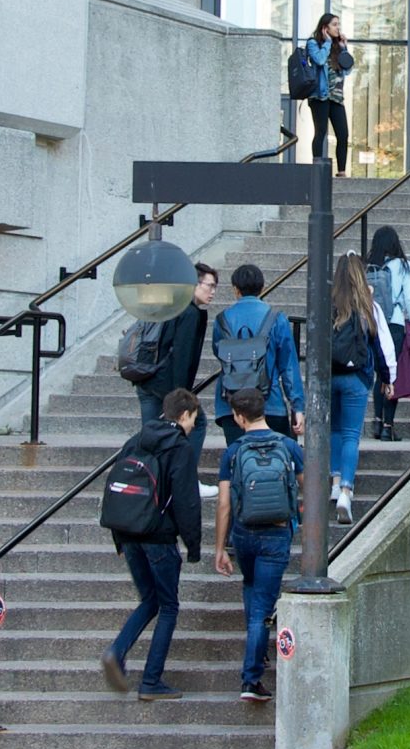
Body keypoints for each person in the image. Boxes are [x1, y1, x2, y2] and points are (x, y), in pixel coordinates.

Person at [98, 386, 205, 701]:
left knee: (149, 600)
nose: (192, 427)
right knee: (169, 605)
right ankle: (151, 680)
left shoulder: (136, 440)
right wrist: (194, 546)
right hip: (158, 537)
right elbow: (186, 502)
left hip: (128, 532)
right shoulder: (179, 447)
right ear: (183, 414)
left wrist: (119, 537)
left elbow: (115, 486)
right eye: (193, 420)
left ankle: (116, 651)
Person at [212, 387, 303, 705]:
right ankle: (251, 677)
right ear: (263, 410)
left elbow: (224, 503)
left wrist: (220, 547)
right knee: (263, 605)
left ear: (238, 416)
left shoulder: (233, 452)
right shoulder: (289, 446)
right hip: (277, 533)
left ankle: (257, 653)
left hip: (244, 532)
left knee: (251, 588)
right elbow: (308, 486)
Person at [327, 253, 393, 527]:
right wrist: (387, 379)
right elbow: (379, 347)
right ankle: (346, 490)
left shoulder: (328, 304)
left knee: (334, 430)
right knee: (352, 435)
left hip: (330, 375)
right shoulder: (367, 307)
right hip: (358, 377)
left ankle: (333, 481)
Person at [209, 263, 302, 448]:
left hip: (231, 404)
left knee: (239, 459)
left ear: (236, 290)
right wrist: (297, 406)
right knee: (276, 461)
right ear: (262, 288)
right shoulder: (276, 319)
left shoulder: (222, 320)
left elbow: (218, 352)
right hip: (270, 402)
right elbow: (288, 366)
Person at [133, 263, 216, 430]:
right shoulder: (190, 313)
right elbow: (182, 355)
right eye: (210, 286)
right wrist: (181, 395)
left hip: (147, 377)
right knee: (197, 423)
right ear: (193, 284)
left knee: (152, 434)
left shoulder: (171, 304)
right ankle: (181, 457)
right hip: (166, 386)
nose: (213, 292)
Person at [368, 225, 410, 441]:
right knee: (392, 374)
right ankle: (388, 426)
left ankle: (377, 422)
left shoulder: (367, 266)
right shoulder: (404, 266)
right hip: (394, 323)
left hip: (372, 323)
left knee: (380, 375)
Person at [305, 11, 355, 170]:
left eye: (338, 24)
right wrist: (327, 42)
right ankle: (317, 169)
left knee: (343, 134)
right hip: (321, 95)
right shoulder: (313, 43)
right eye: (334, 25)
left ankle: (341, 171)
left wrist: (343, 48)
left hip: (337, 97)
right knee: (321, 133)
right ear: (325, 28)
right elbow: (319, 60)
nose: (337, 28)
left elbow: (347, 70)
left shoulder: (338, 46)